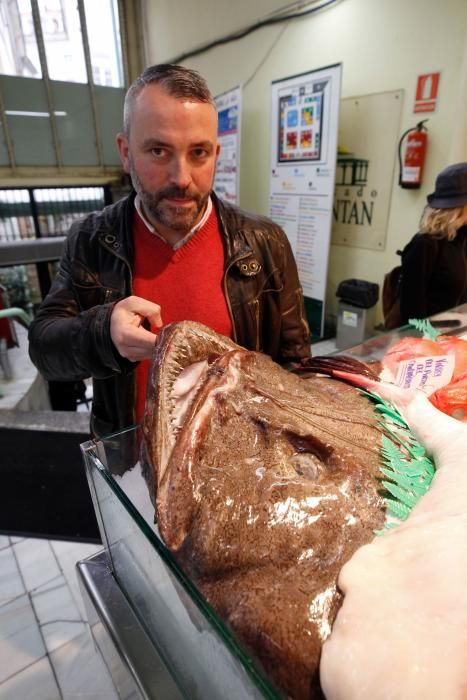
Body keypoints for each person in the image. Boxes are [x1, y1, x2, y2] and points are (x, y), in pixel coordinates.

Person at [28, 63, 311, 439]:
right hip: (132, 460)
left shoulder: (263, 242)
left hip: (241, 459)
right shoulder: (92, 240)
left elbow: (296, 363)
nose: (181, 178)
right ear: (126, 153)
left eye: (199, 153)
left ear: (216, 153)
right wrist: (104, 334)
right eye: (158, 151)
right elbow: (45, 348)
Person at [399, 162, 467, 324]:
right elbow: (412, 316)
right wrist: (434, 342)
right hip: (430, 342)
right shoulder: (425, 245)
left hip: (457, 339)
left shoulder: (463, 241)